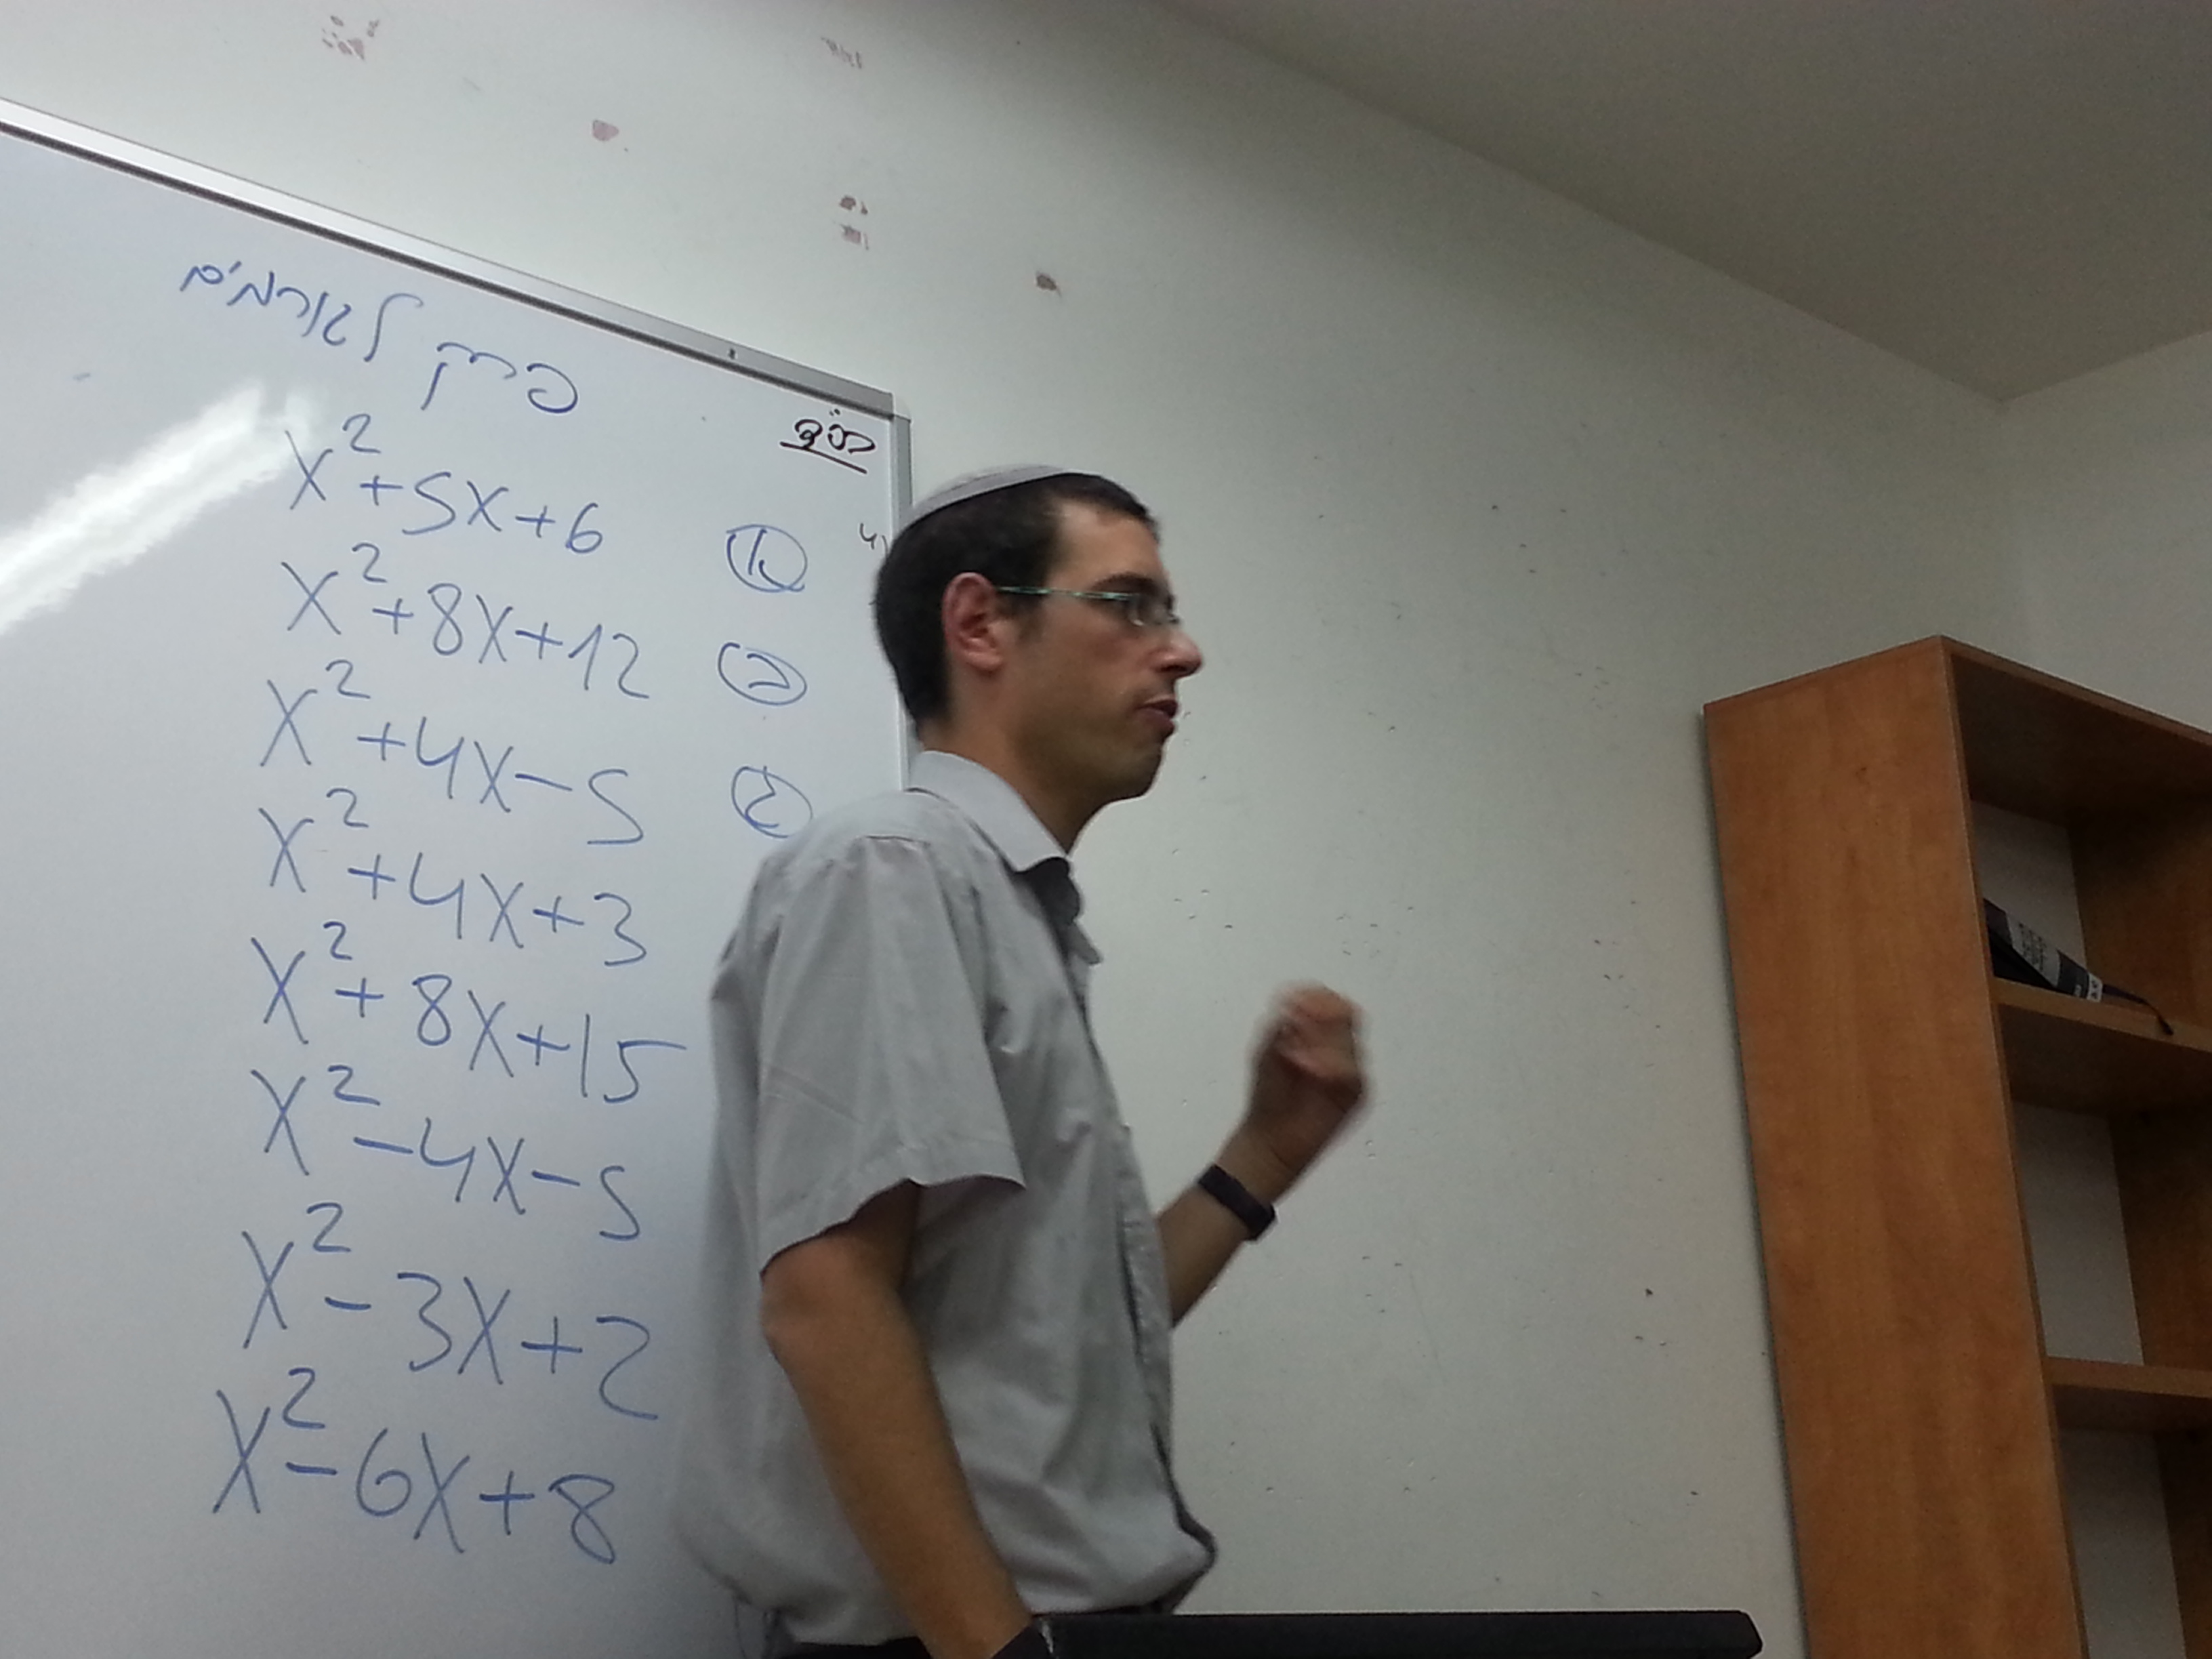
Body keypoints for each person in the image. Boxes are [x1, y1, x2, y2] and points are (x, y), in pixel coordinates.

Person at [674, 466, 1368, 1659]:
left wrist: (1263, 1157)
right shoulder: (895, 868)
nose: (1184, 651)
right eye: (1132, 604)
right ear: (980, 623)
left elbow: (1061, 1346)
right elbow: (828, 1300)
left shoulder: (1012, 911)